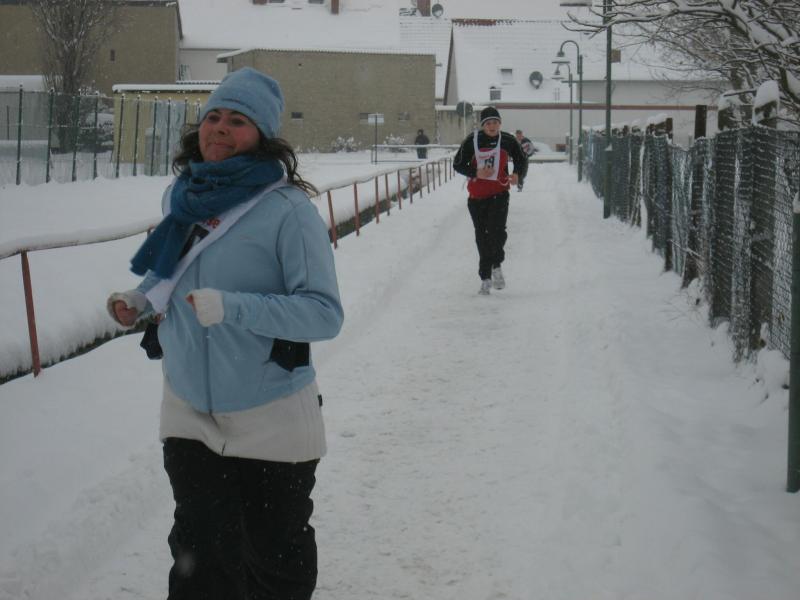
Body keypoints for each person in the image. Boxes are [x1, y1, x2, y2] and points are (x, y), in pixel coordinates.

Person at [106, 67, 344, 600]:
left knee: (272, 561)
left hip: (270, 411)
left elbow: (323, 314)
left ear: (262, 135)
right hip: (188, 407)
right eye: (214, 116)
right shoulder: (182, 197)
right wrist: (140, 299)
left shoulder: (288, 211)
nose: (220, 127)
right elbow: (174, 270)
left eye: (238, 120)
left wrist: (234, 308)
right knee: (199, 557)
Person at [453, 106, 528, 295]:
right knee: (482, 235)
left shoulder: (508, 140)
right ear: (483, 125)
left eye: (495, 122)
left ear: (500, 124)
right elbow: (457, 164)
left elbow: (521, 158)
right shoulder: (472, 141)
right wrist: (475, 172)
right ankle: (485, 277)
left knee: (497, 231)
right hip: (477, 197)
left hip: (499, 194)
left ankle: (496, 266)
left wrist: (517, 174)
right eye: (488, 123)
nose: (492, 126)